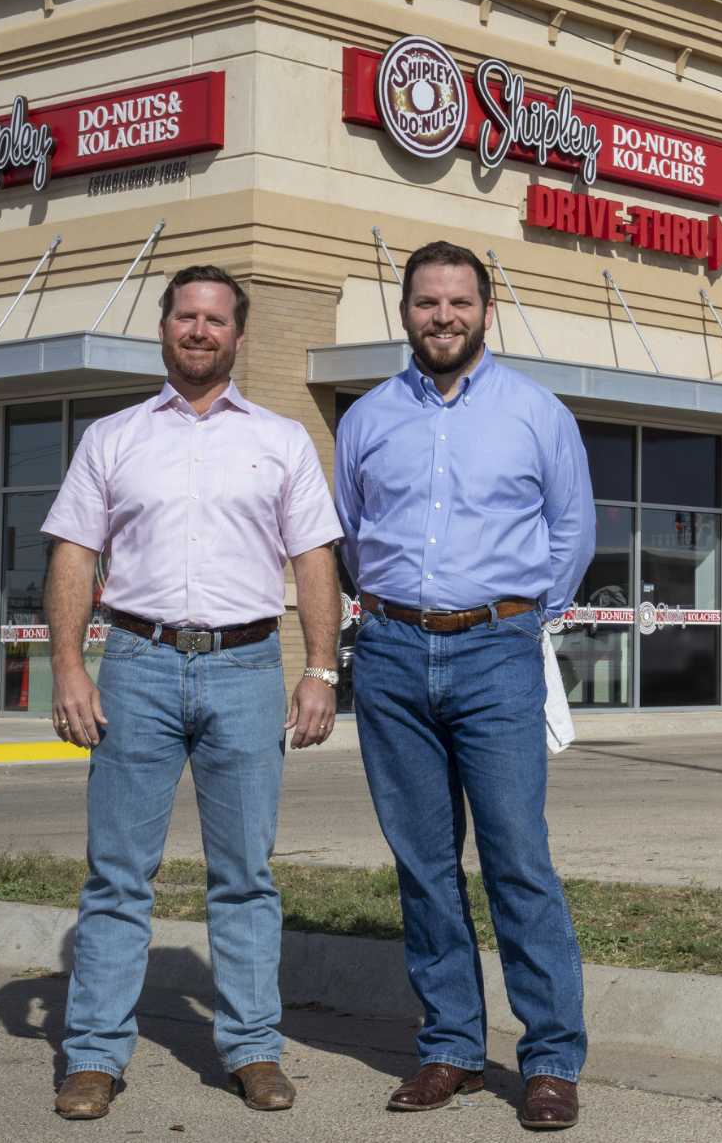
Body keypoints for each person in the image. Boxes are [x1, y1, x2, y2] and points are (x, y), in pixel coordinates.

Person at [42, 265, 343, 1121]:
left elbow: (315, 558)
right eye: (186, 316)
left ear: (238, 336)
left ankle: (252, 1047)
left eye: (215, 319)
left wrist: (321, 669)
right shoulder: (113, 436)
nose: (200, 330)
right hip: (135, 665)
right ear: (165, 328)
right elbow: (73, 553)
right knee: (116, 875)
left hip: (247, 669)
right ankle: (95, 1054)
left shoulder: (282, 439)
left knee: (245, 874)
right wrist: (70, 665)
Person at [335, 240, 593, 1129]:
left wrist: (517, 618)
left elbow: (572, 532)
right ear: (404, 311)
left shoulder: (536, 413)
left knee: (518, 856)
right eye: (426, 303)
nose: (442, 316)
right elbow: (348, 534)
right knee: (423, 861)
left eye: (459, 302)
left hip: (496, 650)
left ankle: (552, 1057)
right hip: (393, 656)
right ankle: (450, 1046)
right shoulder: (366, 418)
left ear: (487, 309)